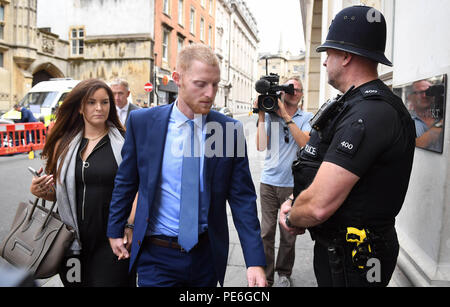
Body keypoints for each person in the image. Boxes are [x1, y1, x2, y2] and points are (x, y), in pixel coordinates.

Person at [107, 43, 267, 287]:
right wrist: (115, 228)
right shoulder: (143, 123)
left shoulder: (227, 131)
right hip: (156, 256)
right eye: (200, 84)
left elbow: (243, 199)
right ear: (177, 79)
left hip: (206, 257)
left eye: (215, 84)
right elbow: (126, 181)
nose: (210, 93)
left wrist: (254, 260)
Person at [279, 6, 416, 287]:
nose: (326, 61)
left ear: (345, 56)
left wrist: (293, 217)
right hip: (341, 251)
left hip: (356, 259)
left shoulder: (370, 112)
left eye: (329, 53)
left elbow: (319, 205)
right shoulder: (353, 105)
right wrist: (296, 200)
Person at [29, 79, 136, 287]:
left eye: (105, 102)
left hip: (112, 239)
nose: (99, 108)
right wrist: (40, 190)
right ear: (79, 107)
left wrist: (129, 225)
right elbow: (60, 192)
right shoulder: (64, 143)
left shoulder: (125, 141)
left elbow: (138, 188)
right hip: (71, 242)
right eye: (91, 102)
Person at [254, 76, 312, 287]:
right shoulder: (269, 115)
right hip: (268, 182)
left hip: (292, 185)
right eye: (289, 88)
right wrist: (261, 116)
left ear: (302, 94)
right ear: (281, 92)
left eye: (297, 89)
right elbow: (260, 146)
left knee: (288, 235)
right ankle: (267, 277)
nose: (293, 91)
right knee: (266, 232)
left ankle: (283, 274)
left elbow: (305, 143)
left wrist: (285, 115)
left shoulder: (307, 117)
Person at [408, 80, 444, 151]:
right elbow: (408, 147)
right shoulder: (404, 120)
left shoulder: (441, 116)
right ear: (410, 97)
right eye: (420, 92)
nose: (425, 95)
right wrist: (440, 125)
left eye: (428, 92)